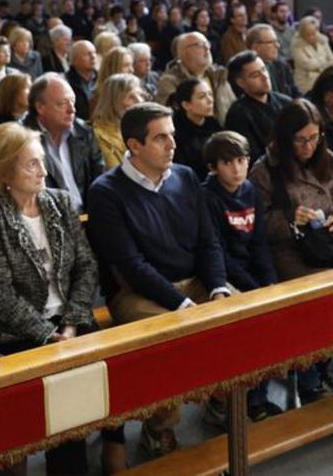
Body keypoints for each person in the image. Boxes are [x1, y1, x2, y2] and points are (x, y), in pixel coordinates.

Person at [87, 103, 233, 459]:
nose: (172, 145)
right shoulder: (106, 191)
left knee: (240, 314)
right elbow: (130, 266)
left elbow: (208, 242)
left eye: (172, 136)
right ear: (134, 146)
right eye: (161, 138)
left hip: (194, 281)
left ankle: (221, 398)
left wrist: (217, 288)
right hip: (137, 293)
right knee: (174, 338)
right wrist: (183, 306)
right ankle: (159, 429)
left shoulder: (183, 176)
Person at [0, 124, 102, 475]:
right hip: (17, 331)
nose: (43, 171)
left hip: (70, 321)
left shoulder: (58, 202)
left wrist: (71, 323)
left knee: (88, 380)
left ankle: (76, 466)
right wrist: (49, 335)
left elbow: (86, 266)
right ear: (5, 171)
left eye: (42, 162)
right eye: (32, 164)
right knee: (51, 385)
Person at [248, 100, 333, 396]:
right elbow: (257, 223)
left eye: (314, 138)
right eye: (300, 140)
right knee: (318, 297)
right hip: (290, 251)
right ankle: (313, 371)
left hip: (329, 243)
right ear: (285, 138)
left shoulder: (327, 159)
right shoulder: (265, 169)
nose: (308, 146)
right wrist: (291, 217)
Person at [199, 131, 284, 422]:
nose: (237, 169)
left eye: (241, 160)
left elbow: (259, 242)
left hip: (251, 269)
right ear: (212, 166)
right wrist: (253, 287)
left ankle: (259, 396)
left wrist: (269, 282)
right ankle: (236, 399)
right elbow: (217, 252)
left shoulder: (251, 192)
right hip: (225, 274)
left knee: (279, 313)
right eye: (227, 163)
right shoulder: (207, 197)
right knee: (250, 326)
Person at [24, 74, 106, 211]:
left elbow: (99, 177)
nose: (72, 110)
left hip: (89, 215)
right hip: (49, 219)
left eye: (72, 102)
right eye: (62, 104)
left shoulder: (84, 132)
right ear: (40, 107)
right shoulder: (23, 139)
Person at [225, 51, 293, 163]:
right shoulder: (238, 114)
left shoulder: (286, 102)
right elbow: (251, 155)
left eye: (264, 70)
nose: (265, 77)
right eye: (255, 75)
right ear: (241, 82)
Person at [155, 31, 236, 124]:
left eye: (207, 44)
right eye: (200, 45)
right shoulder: (169, 82)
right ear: (183, 52)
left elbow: (233, 108)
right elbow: (166, 118)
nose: (207, 48)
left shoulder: (219, 75)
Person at [91, 73, 147, 169]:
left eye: (140, 94)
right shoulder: (98, 135)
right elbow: (113, 170)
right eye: (131, 97)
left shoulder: (141, 128)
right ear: (113, 101)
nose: (140, 101)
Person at [170, 78, 222, 179]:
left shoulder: (213, 123)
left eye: (210, 94)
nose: (210, 100)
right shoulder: (176, 133)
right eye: (202, 97)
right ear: (186, 105)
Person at [247, 23, 300, 98]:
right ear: (256, 47)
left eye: (276, 41)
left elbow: (295, 93)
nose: (277, 46)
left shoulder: (282, 66)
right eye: (271, 42)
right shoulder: (246, 71)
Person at [291, 15, 333, 94]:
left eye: (313, 34)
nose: (311, 37)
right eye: (307, 34)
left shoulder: (323, 40)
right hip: (306, 82)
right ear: (302, 33)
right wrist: (324, 63)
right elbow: (308, 65)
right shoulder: (296, 44)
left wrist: (317, 68)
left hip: (325, 78)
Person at [65, 40, 98, 118]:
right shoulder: (66, 82)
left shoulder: (102, 78)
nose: (93, 57)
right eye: (87, 54)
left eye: (94, 53)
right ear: (74, 60)